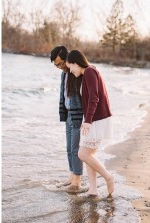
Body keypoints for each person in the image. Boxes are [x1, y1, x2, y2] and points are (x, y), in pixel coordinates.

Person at [66, 49, 114, 197]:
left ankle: (108, 177)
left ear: (75, 63)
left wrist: (87, 120)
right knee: (89, 155)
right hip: (93, 119)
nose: (70, 71)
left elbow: (94, 97)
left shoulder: (89, 72)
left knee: (83, 154)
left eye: (70, 67)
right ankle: (93, 190)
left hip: (96, 120)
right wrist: (87, 120)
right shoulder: (89, 72)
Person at [50, 46, 84, 191]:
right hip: (69, 114)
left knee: (76, 148)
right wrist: (63, 113)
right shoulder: (64, 74)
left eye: (59, 63)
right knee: (69, 148)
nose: (58, 67)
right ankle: (71, 176)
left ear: (67, 59)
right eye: (56, 65)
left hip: (77, 114)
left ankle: (77, 180)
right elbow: (63, 94)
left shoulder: (76, 72)